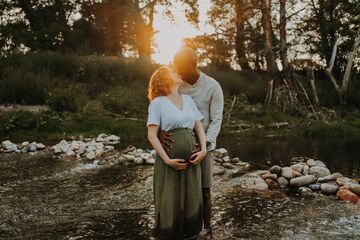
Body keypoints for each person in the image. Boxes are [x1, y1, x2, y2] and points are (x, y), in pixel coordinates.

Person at [158, 48, 224, 232]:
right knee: (177, 191)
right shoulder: (177, 82)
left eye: (182, 68)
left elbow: (216, 119)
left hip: (204, 147)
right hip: (177, 145)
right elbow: (160, 104)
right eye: (176, 68)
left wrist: (205, 146)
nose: (178, 72)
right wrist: (160, 131)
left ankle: (207, 230)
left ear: (194, 65)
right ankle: (180, 230)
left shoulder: (213, 87)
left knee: (204, 191)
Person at [147, 66, 208, 240]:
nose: (178, 72)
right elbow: (152, 135)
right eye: (173, 72)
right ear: (164, 79)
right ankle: (168, 234)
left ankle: (191, 233)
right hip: (170, 161)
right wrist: (167, 160)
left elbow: (198, 128)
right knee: (169, 197)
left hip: (193, 159)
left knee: (192, 195)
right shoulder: (157, 103)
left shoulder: (188, 100)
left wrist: (203, 150)